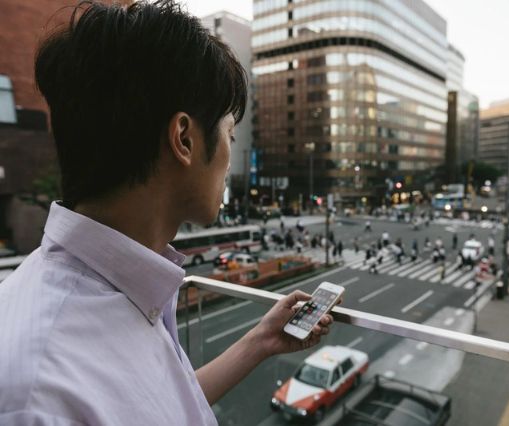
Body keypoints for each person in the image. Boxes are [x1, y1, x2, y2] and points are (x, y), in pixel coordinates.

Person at [0, 3, 336, 424]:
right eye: (229, 135)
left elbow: (158, 406)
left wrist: (261, 341)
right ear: (184, 139)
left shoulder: (118, 287)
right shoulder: (37, 394)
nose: (229, 157)